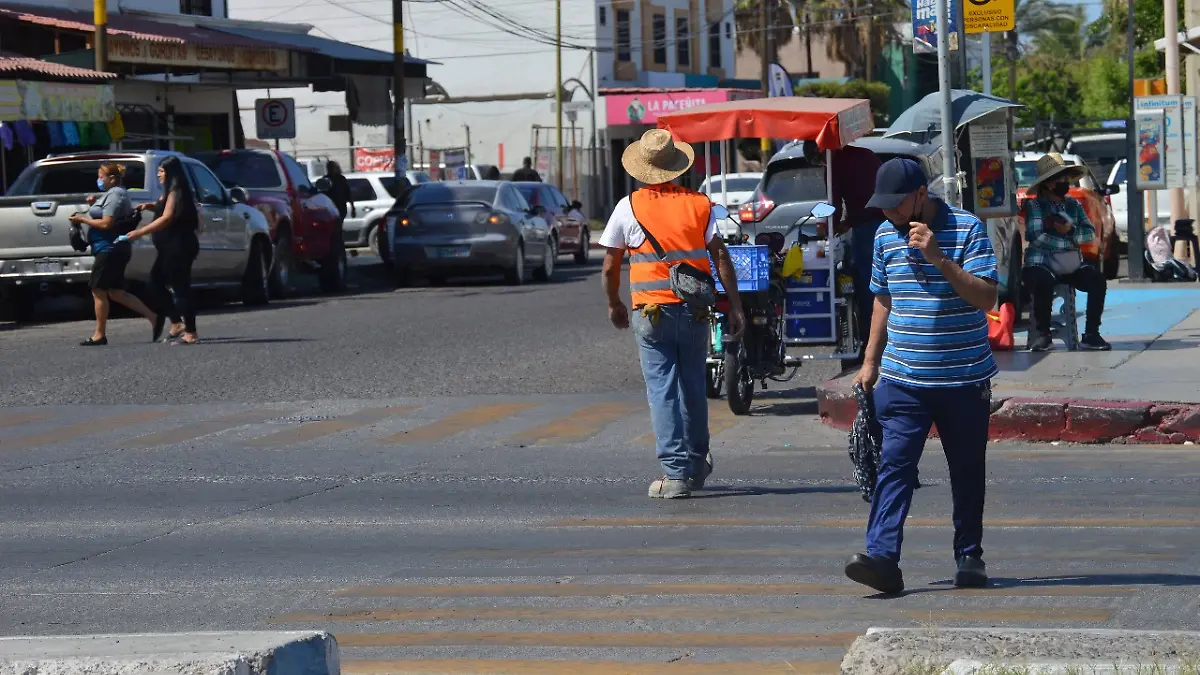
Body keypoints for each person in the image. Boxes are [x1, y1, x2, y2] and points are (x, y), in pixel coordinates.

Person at [845, 158, 999, 594]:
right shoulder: (883, 237)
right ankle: (882, 560)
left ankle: (969, 556)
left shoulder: (967, 229)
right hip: (903, 378)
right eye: (883, 206)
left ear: (920, 195)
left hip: (963, 379)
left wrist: (938, 259)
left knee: (967, 470)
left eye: (896, 205)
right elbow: (882, 299)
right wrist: (870, 361)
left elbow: (986, 296)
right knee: (894, 466)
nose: (889, 214)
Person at [600, 129, 746, 499]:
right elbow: (722, 258)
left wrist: (614, 304)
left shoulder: (627, 206)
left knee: (662, 390)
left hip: (651, 313)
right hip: (694, 311)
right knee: (693, 386)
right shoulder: (700, 204)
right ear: (678, 168)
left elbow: (609, 266)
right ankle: (696, 464)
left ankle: (675, 474)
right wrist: (735, 306)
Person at [1021, 153, 1110, 352]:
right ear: (1049, 184)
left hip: (1070, 264)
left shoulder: (1073, 205)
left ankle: (1091, 334)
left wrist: (1070, 232)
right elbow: (1036, 236)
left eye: (1065, 178)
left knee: (1097, 280)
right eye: (1060, 179)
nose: (1065, 183)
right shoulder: (1034, 205)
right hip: (1040, 263)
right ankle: (1043, 334)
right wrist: (1069, 241)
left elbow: (1089, 234)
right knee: (1041, 280)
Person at [67, 162, 162, 346]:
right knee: (116, 292)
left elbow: (106, 224)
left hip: (109, 249)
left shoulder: (116, 194)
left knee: (98, 290)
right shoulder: (111, 194)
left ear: (111, 179)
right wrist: (93, 205)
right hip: (110, 248)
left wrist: (82, 219)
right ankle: (154, 317)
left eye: (101, 177)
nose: (98, 180)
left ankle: (99, 334)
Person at [803, 140, 882, 356]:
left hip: (867, 228)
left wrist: (829, 231)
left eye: (818, 161)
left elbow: (834, 206)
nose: (822, 166)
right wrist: (848, 222)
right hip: (888, 222)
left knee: (868, 285)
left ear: (821, 152)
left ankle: (871, 343)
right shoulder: (866, 153)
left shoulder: (834, 164)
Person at [127, 156, 201, 345]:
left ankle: (191, 332)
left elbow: (167, 217)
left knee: (181, 288)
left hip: (179, 247)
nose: (158, 175)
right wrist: (149, 206)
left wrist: (140, 232)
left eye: (161, 171)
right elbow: (163, 207)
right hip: (168, 248)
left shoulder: (177, 191)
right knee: (154, 284)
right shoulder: (168, 191)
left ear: (170, 173)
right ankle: (176, 322)